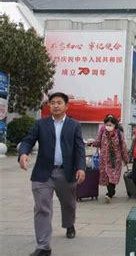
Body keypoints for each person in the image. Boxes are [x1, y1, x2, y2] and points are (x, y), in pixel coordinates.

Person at [18, 92, 86, 256]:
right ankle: (43, 246)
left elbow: (79, 149)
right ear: (49, 106)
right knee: (42, 208)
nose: (55, 105)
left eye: (59, 102)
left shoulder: (74, 125)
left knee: (68, 203)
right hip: (43, 173)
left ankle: (69, 224)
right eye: (52, 103)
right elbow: (28, 140)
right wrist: (23, 153)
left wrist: (81, 167)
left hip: (66, 172)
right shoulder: (41, 124)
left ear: (66, 106)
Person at [88, 115, 128, 203]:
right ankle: (111, 191)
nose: (108, 126)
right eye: (107, 124)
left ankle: (109, 193)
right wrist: (91, 143)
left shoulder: (118, 133)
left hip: (115, 159)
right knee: (106, 175)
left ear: (115, 125)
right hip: (104, 158)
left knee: (112, 176)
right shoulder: (103, 133)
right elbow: (98, 142)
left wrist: (125, 159)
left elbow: (123, 147)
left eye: (110, 125)